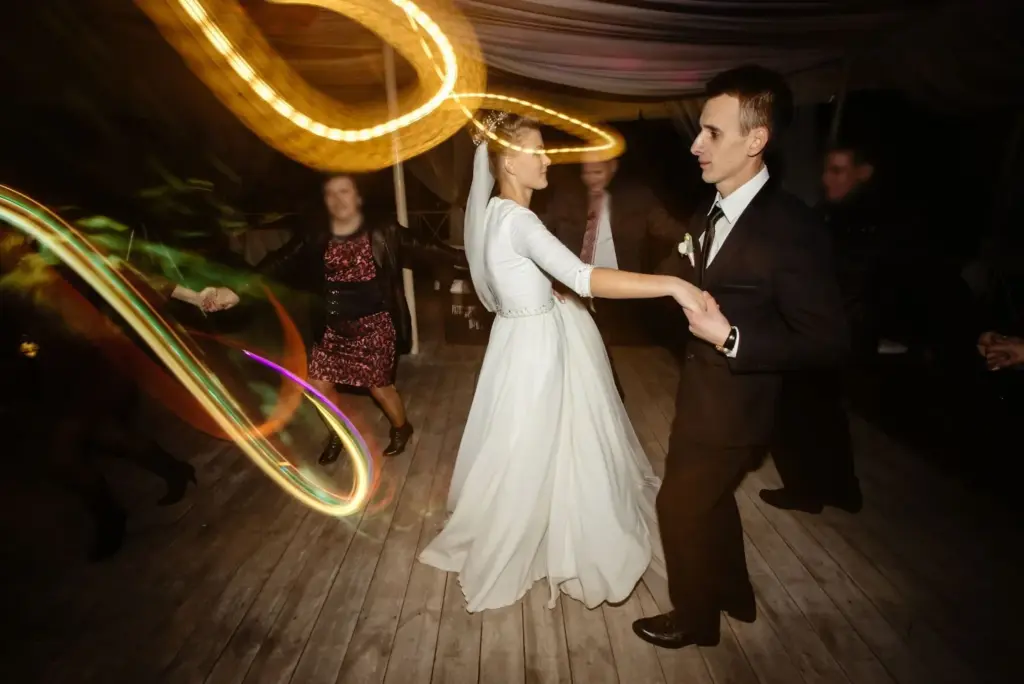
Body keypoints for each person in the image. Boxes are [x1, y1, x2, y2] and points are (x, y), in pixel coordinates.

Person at [417, 112, 706, 613]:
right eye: (538, 150)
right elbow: (585, 277)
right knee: (551, 440)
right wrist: (673, 284)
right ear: (509, 161)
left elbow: (514, 280)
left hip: (516, 336)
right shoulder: (520, 220)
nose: (549, 158)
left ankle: (533, 521)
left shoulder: (492, 213)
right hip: (538, 346)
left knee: (527, 442)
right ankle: (554, 534)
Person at [632, 65, 849, 649]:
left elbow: (829, 341)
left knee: (679, 504)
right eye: (699, 131)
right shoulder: (714, 206)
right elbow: (698, 275)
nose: (697, 145)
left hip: (738, 406)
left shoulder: (791, 229)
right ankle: (734, 593)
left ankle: (696, 620)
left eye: (713, 133)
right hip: (700, 395)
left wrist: (733, 340)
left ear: (757, 140)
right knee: (708, 496)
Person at [257, 174, 458, 463]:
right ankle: (339, 432)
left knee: (380, 388)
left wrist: (472, 260)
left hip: (374, 325)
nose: (338, 200)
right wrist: (243, 284)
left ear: (358, 197)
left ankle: (402, 428)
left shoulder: (383, 229)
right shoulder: (316, 233)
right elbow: (280, 259)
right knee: (317, 383)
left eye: (345, 191)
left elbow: (429, 247)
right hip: (334, 328)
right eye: (330, 194)